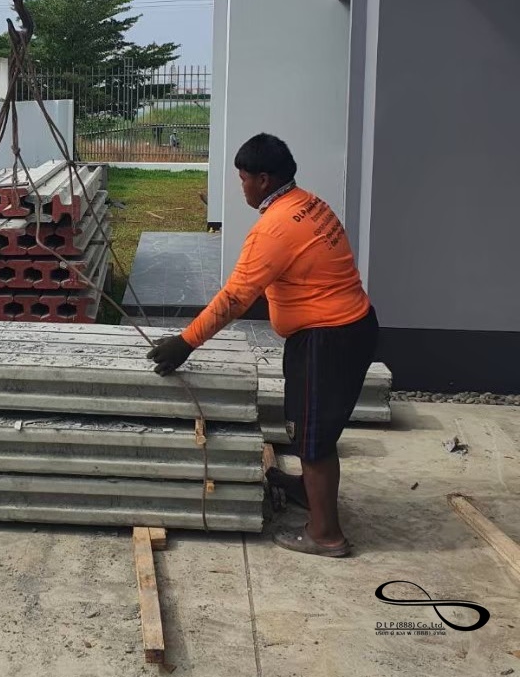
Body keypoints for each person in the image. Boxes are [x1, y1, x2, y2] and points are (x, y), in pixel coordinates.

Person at [146, 134, 378, 557]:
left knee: (314, 440)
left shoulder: (275, 228)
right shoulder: (308, 203)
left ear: (264, 179)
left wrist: (185, 342)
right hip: (344, 329)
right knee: (311, 428)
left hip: (328, 339)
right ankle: (308, 491)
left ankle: (325, 534)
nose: (242, 187)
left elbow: (236, 297)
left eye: (244, 179)